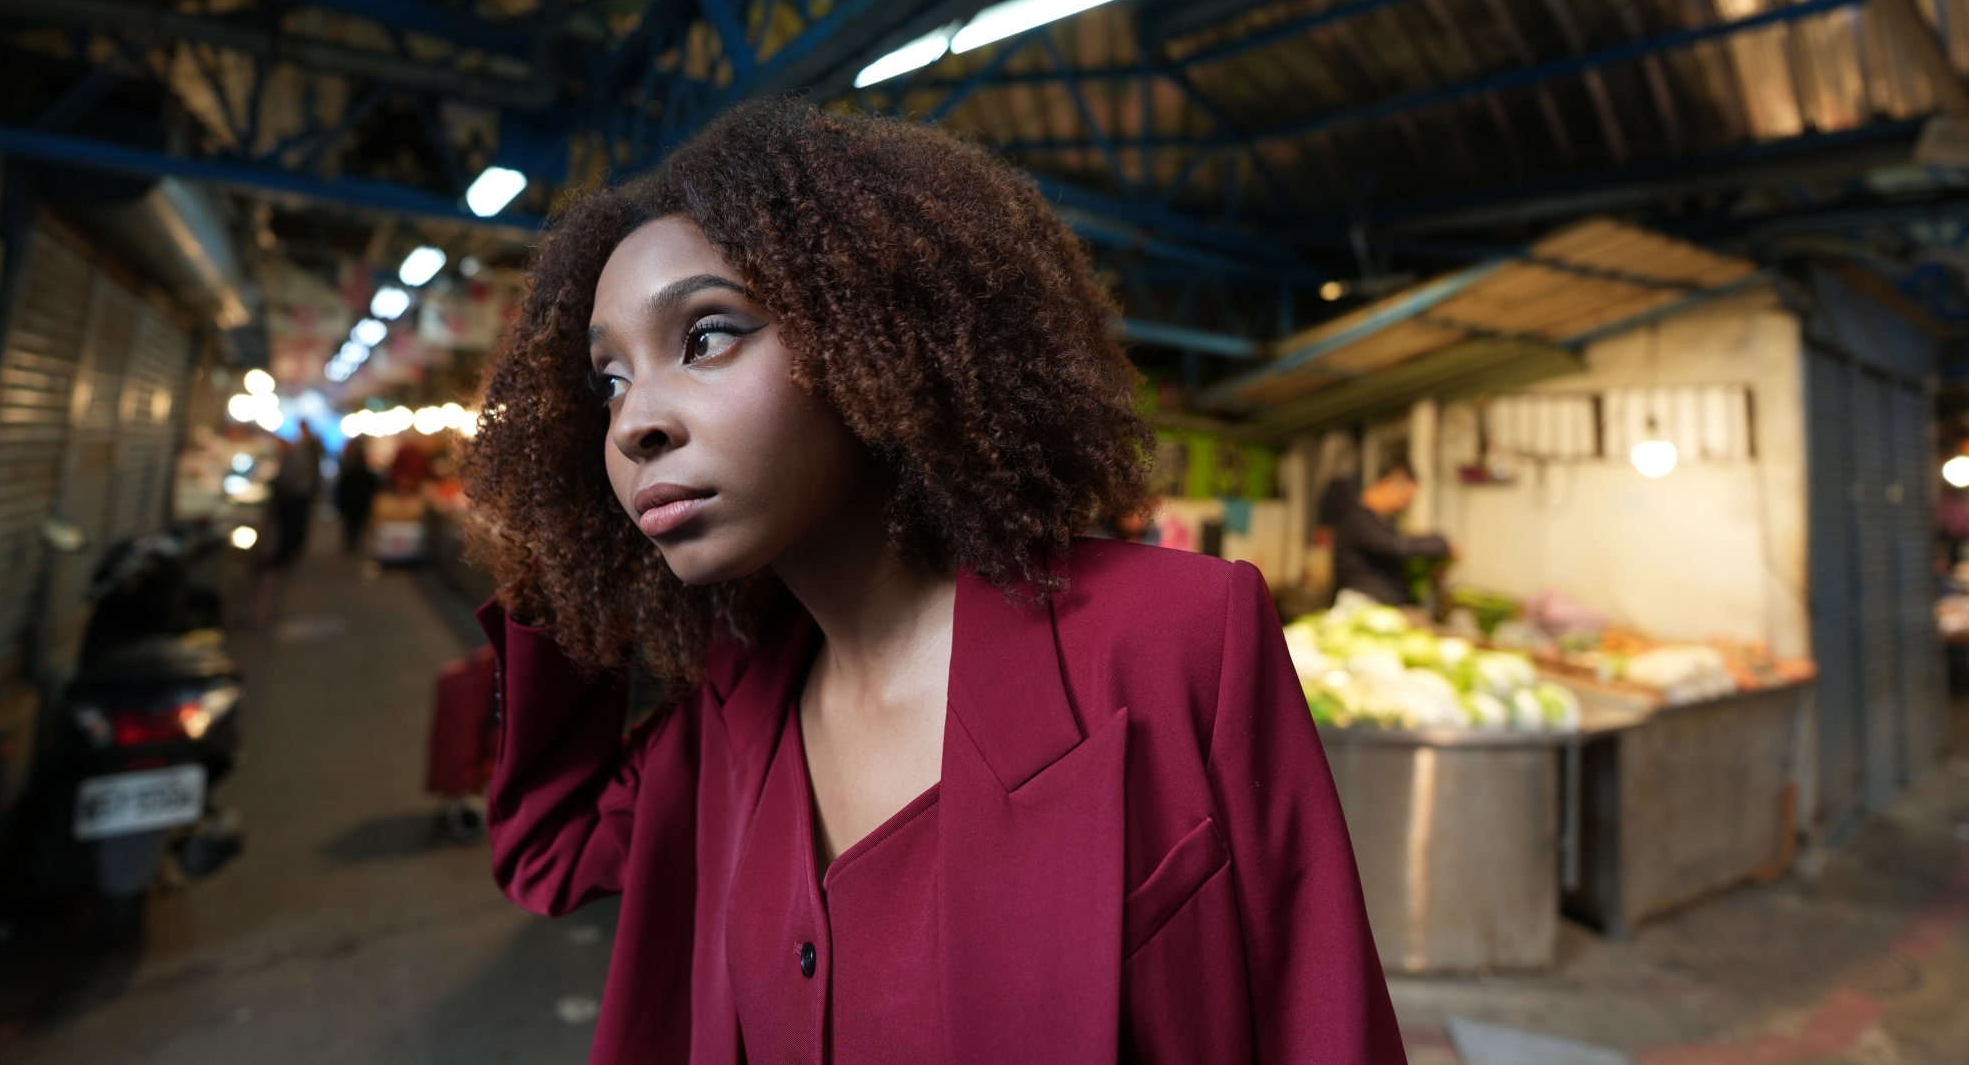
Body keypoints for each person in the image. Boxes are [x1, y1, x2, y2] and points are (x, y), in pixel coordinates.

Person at [461, 98, 1403, 1065]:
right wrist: (564, 545)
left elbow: (1320, 1027)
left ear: (876, 330)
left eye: (705, 336)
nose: (633, 423)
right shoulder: (732, 714)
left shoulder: (1175, 637)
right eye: (606, 381)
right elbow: (550, 845)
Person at [1320, 458, 1452, 606]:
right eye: (1404, 500)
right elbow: (1399, 546)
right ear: (1388, 484)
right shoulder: (1358, 518)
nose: (1405, 507)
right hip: (1363, 605)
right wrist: (1442, 543)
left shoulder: (1380, 521)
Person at [270, 420, 323, 565]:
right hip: (300, 492)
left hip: (296, 493)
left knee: (291, 525)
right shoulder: (303, 448)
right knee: (295, 524)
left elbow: (293, 476)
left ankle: (287, 554)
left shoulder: (302, 450)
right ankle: (292, 550)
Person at [334, 437, 378, 554]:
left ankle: (350, 542)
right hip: (362, 502)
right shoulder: (368, 474)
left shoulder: (349, 472)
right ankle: (354, 543)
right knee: (359, 523)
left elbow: (341, 486)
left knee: (350, 524)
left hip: (350, 502)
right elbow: (374, 487)